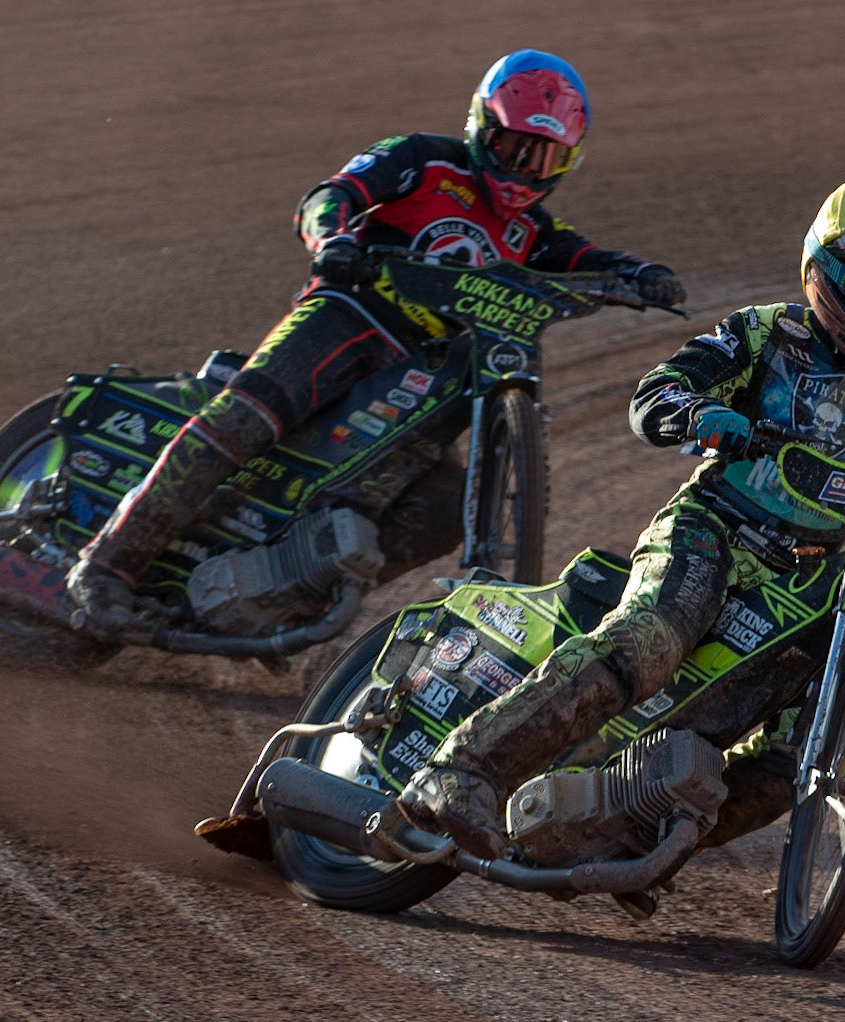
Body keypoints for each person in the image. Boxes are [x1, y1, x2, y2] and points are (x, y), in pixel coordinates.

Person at [397, 178, 845, 859]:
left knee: (792, 756)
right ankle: (463, 770)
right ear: (826, 274)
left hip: (820, 580)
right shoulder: (763, 335)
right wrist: (701, 414)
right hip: (715, 530)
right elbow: (659, 392)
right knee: (650, 640)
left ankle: (637, 838)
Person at [65, 50, 685, 630]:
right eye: (510, 147)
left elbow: (585, 257)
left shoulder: (534, 231)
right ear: (479, 127)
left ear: (565, 163)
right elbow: (330, 196)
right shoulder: (423, 158)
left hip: (427, 372)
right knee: (244, 419)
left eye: (541, 158)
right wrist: (332, 240)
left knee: (444, 506)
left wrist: (642, 274)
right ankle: (104, 566)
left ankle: (286, 603)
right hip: (349, 315)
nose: (522, 169)